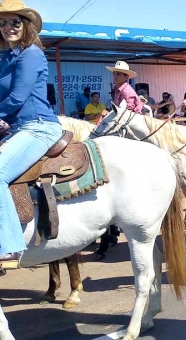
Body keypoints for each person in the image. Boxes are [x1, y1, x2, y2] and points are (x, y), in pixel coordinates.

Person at [0, 0, 63, 265]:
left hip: (39, 127)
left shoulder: (32, 54)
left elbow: (17, 97)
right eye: (2, 23)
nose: (8, 28)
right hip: (15, 126)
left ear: (25, 26)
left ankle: (10, 245)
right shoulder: (4, 57)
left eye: (15, 22)